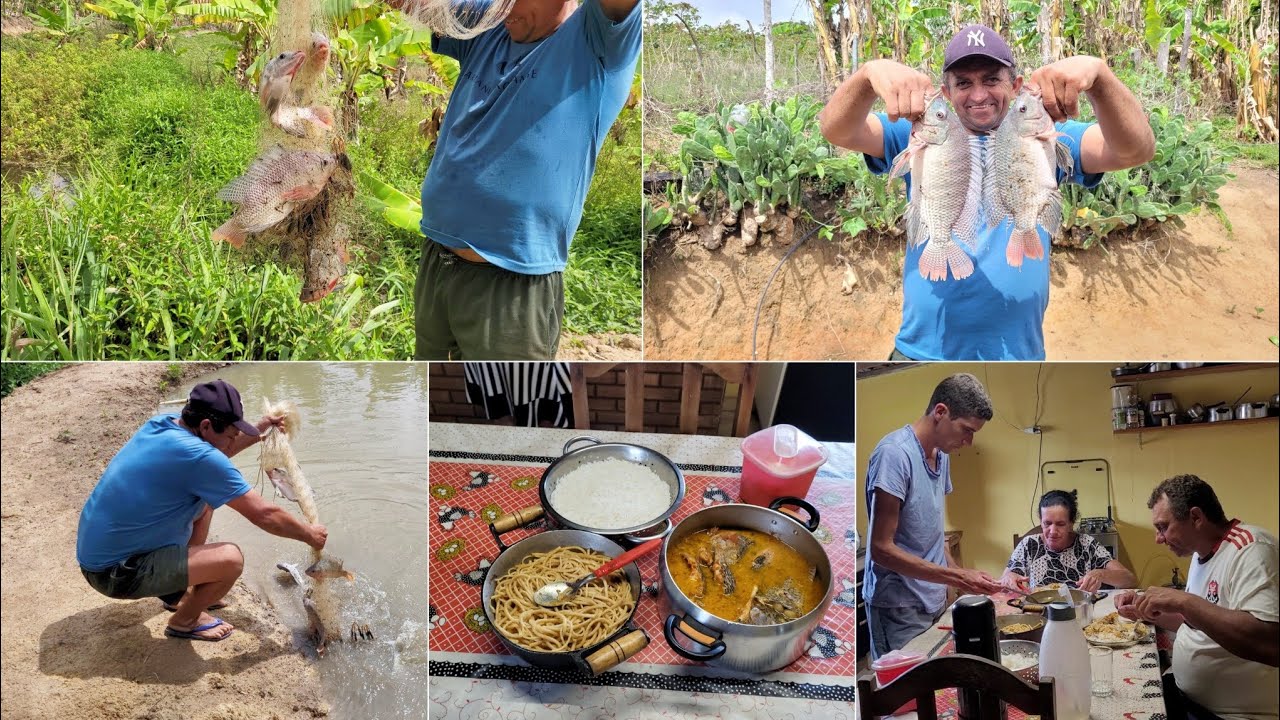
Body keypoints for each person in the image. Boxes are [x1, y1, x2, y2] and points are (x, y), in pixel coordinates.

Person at [818, 24, 1156, 361]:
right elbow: (836, 129)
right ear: (946, 94)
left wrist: (1100, 79)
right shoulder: (918, 135)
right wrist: (867, 77)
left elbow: (1135, 151)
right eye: (964, 83)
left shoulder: (1044, 136)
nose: (979, 95)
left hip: (1018, 358)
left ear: (1016, 85)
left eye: (992, 79)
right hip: (919, 353)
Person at [408, 0, 642, 360]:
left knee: (508, 408)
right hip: (438, 262)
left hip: (512, 288)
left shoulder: (598, 41)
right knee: (432, 396)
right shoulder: (491, 23)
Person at [77, 380, 327, 642]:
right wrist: (309, 534)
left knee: (206, 503)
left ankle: (179, 593)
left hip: (99, 556)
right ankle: (185, 620)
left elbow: (217, 451)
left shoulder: (164, 425)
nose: (232, 441)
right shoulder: (199, 457)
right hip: (114, 573)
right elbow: (265, 515)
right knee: (231, 559)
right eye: (231, 434)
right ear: (206, 426)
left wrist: (262, 426)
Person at [863, 372, 1004, 659]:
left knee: (942, 689)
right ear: (941, 412)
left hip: (933, 599)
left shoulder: (942, 456)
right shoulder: (895, 455)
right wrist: (957, 575)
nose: (968, 442)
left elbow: (933, 535)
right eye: (966, 430)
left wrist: (957, 584)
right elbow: (881, 549)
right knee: (908, 697)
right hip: (898, 607)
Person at [1114, 474, 1278, 720]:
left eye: (1163, 527)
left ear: (1196, 517)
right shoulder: (1200, 553)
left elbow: (1269, 642)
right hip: (1187, 697)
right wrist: (1148, 612)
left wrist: (1184, 601)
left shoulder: (1252, 549)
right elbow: (1198, 621)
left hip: (1231, 714)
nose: (1158, 538)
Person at [1001, 489, 1138, 593]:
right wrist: (1009, 578)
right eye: (1047, 523)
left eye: (1060, 524)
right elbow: (1005, 580)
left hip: (1079, 613)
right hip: (1040, 615)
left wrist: (1100, 574)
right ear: (1040, 520)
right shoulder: (1029, 544)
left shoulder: (1086, 544)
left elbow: (1130, 580)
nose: (1053, 531)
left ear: (1071, 523)